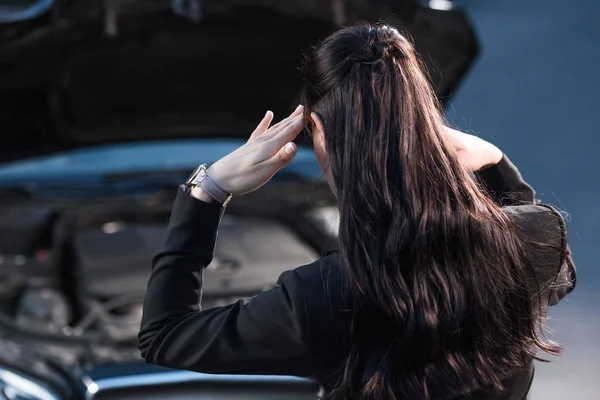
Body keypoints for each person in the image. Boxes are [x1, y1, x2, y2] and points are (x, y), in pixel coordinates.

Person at [138, 24, 576, 399]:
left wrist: (207, 191)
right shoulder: (539, 240)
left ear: (321, 132)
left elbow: (165, 336)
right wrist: (495, 160)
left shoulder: (317, 298)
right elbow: (544, 253)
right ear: (427, 125)